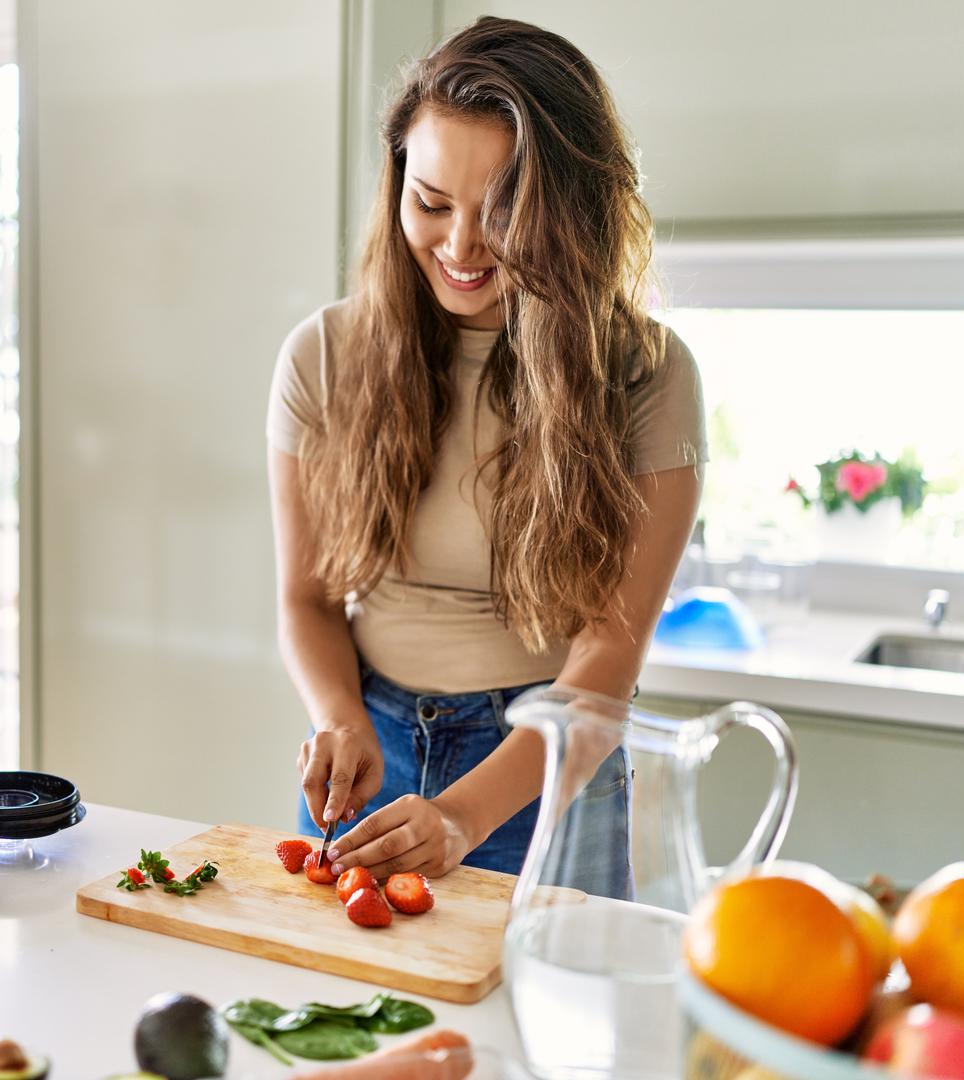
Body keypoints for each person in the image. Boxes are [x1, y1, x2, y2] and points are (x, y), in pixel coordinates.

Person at [264, 16, 706, 896]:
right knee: (353, 1031)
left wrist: (467, 812)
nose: (462, 247)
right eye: (432, 204)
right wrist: (340, 718)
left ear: (571, 210)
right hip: (373, 759)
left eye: (504, 212)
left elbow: (606, 664)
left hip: (548, 776)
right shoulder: (321, 356)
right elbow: (307, 599)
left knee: (538, 1032)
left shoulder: (646, 374)